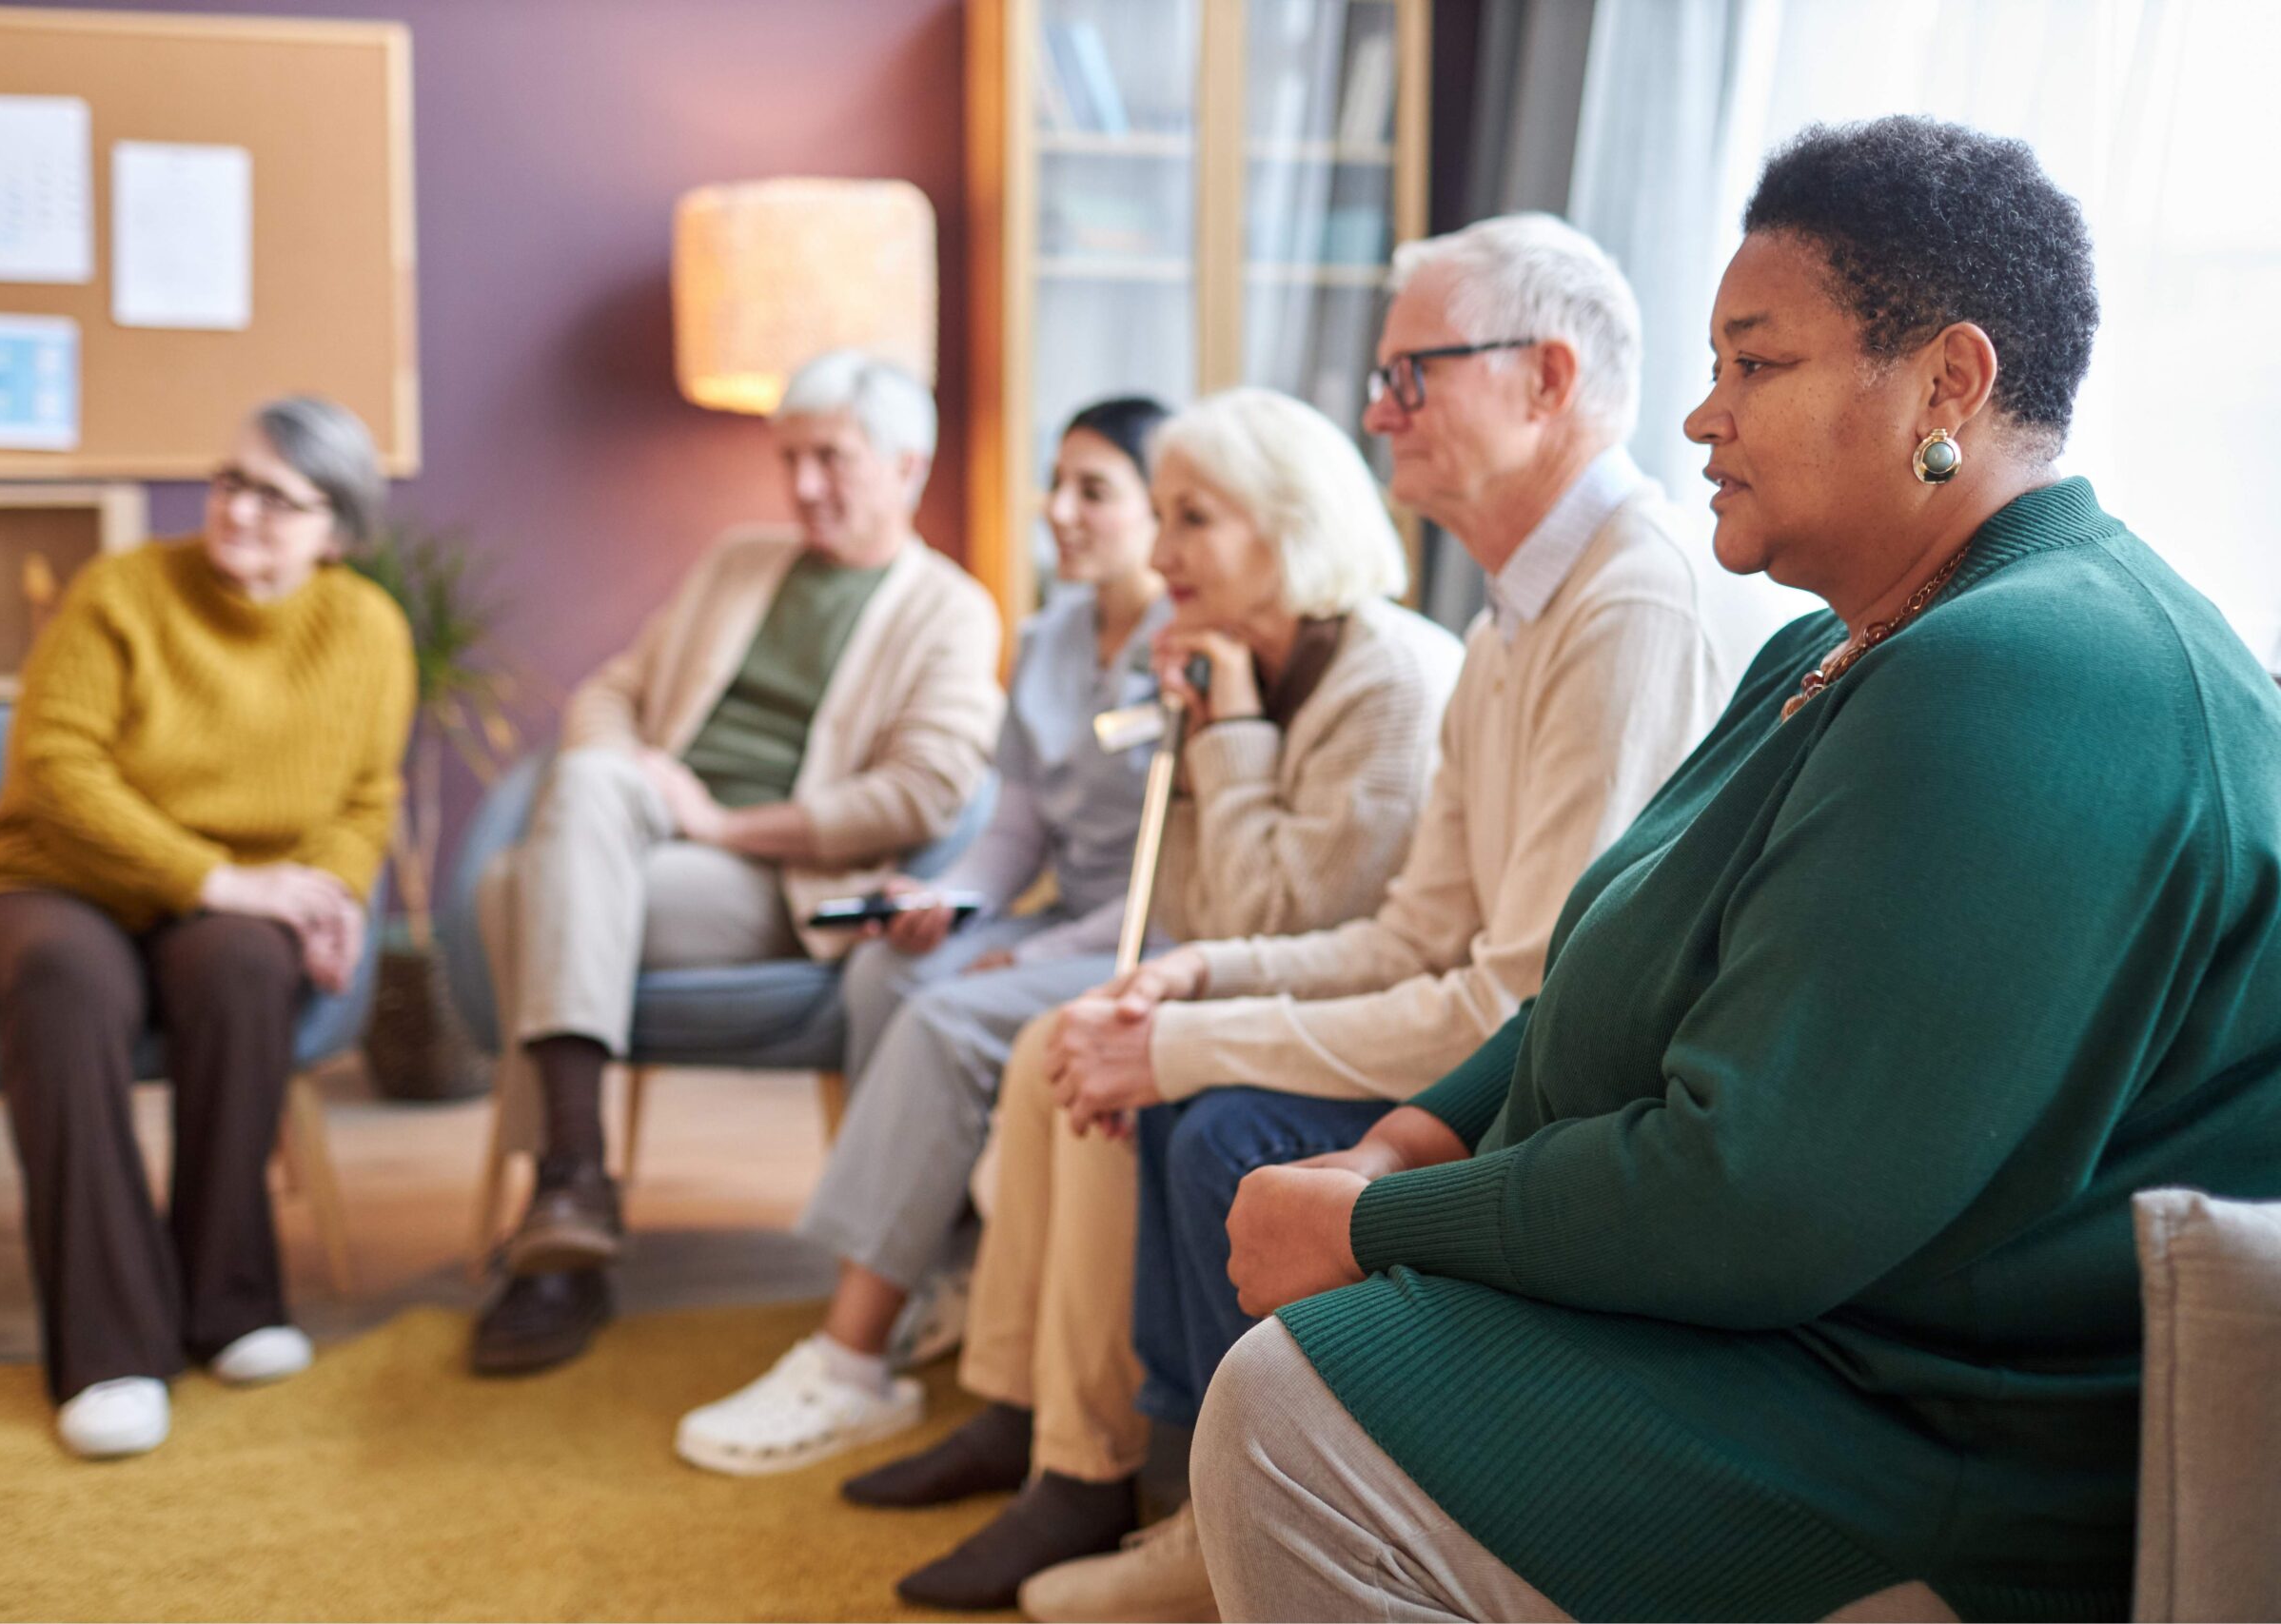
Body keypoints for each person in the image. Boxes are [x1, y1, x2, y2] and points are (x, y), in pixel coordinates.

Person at [1196, 115, 2281, 1623]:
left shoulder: (2037, 671)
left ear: (1947, 384)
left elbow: (1760, 1187)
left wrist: (1372, 1225)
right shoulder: (1835, 644)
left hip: (1941, 1420)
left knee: (1293, 1404)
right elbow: (1610, 971)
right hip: (1832, 1333)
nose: (1702, 419)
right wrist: (1401, 1144)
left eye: (1754, 364)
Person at [1016, 213, 1782, 1622]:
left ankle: (1236, 1504)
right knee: (1190, 1089)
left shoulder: (1632, 609)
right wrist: (1201, 979)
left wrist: (1193, 1046)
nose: (1375, 411)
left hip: (1587, 1105)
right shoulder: (1508, 626)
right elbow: (1414, 928)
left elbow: (1528, 999)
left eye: (1411, 375)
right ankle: (1193, 1493)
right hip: (1505, 1046)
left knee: (1223, 1127)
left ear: (1547, 379)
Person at [858, 387, 1466, 1612]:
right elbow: (1184, 897)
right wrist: (1195, 738)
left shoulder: (1385, 678)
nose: (1161, 549)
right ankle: (1028, 1411)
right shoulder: (1245, 658)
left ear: (1287, 529)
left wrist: (1225, 729)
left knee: (1120, 1077)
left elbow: (1284, 917)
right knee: (1056, 1041)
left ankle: (1088, 1468)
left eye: (1193, 518)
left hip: (1375, 1020)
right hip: (1279, 982)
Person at [469, 351, 1004, 1377]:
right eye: (790, 459)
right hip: (644, 834)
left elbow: (924, 791)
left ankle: (564, 1212)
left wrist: (720, 826)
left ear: (906, 464)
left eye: (831, 460)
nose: (803, 486)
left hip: (776, 878)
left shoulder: (948, 609)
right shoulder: (738, 562)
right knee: (581, 795)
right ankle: (570, 1191)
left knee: (516, 893)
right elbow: (612, 689)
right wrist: (620, 768)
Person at [668, 397, 1178, 1472]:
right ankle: (933, 1268)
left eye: (1096, 490)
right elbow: (1016, 825)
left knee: (949, 1015)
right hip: (1056, 916)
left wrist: (1025, 956)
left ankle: (851, 1361)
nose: (1062, 511)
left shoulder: (1193, 655)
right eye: (1058, 483)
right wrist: (952, 898)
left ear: (1157, 509)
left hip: (1148, 932)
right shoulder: (1045, 639)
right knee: (885, 974)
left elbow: (1175, 882)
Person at [0, 396, 415, 1460]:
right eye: (230, 480)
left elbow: (365, 796)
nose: (239, 511)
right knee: (69, 979)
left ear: (334, 531)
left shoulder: (367, 631)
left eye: (276, 499)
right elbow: (57, 774)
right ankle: (108, 1351)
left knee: (247, 968)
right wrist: (214, 878)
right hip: (41, 884)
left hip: (221, 903)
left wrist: (327, 894)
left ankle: (230, 1301)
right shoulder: (122, 591)